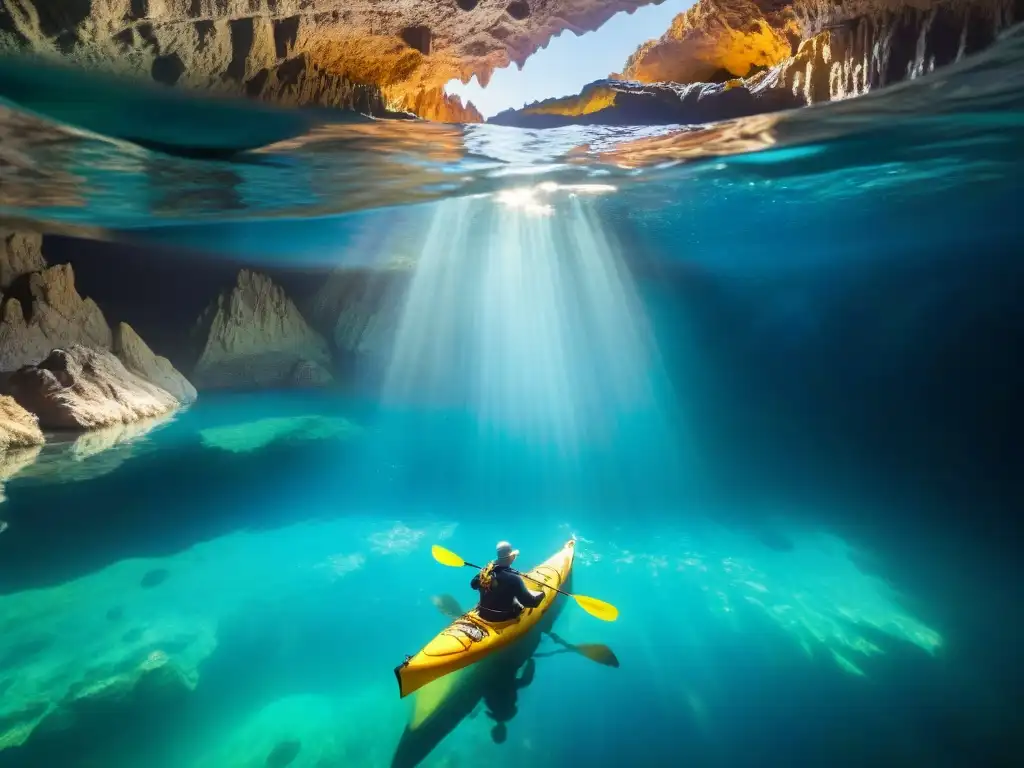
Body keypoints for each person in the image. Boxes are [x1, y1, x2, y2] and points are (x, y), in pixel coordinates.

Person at [471, 541, 544, 622]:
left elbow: (473, 584)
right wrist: (543, 594)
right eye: (514, 556)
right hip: (502, 617)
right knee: (518, 603)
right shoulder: (514, 579)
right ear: (510, 557)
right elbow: (530, 602)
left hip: (483, 613)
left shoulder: (484, 572)